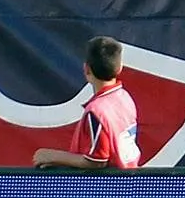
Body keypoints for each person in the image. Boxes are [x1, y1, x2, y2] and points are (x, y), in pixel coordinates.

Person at [32, 35, 143, 171]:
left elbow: (97, 160)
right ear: (120, 67)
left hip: (107, 187)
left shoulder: (97, 111)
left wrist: (51, 156)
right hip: (127, 181)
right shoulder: (125, 97)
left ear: (86, 69)